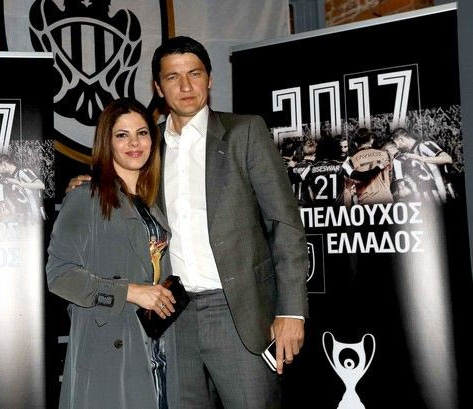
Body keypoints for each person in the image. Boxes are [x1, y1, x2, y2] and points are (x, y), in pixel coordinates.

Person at [70, 36, 308, 409]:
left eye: (194, 74)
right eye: (173, 77)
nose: (185, 86)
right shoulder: (149, 147)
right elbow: (121, 191)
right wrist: (89, 184)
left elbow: (285, 224)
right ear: (158, 86)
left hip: (238, 312)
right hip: (171, 315)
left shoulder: (244, 132)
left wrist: (291, 311)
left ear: (209, 79)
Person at [46, 98, 176, 409]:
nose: (134, 143)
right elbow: (59, 276)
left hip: (157, 349)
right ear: (108, 142)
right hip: (110, 346)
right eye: (122, 135)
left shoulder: (154, 202)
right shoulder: (85, 198)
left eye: (142, 133)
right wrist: (129, 291)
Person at [391, 127, 454, 202]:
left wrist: (421, 158)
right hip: (433, 196)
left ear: (402, 140)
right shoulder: (409, 154)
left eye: (396, 144)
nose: (397, 147)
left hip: (446, 192)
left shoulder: (424, 145)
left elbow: (448, 159)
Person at [342, 128, 392, 205]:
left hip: (366, 202)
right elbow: (391, 177)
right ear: (371, 140)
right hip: (387, 199)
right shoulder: (385, 154)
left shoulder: (351, 161)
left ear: (356, 143)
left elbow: (348, 188)